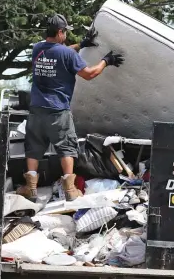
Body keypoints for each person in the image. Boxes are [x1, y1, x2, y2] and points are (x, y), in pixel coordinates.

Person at [17, 13, 124, 202]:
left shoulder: (38, 49)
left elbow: (62, 53)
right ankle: (70, 189)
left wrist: (82, 45)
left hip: (36, 109)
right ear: (59, 32)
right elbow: (89, 74)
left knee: (33, 147)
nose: (66, 34)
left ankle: (30, 188)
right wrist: (106, 61)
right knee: (66, 147)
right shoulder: (65, 54)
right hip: (58, 111)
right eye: (65, 31)